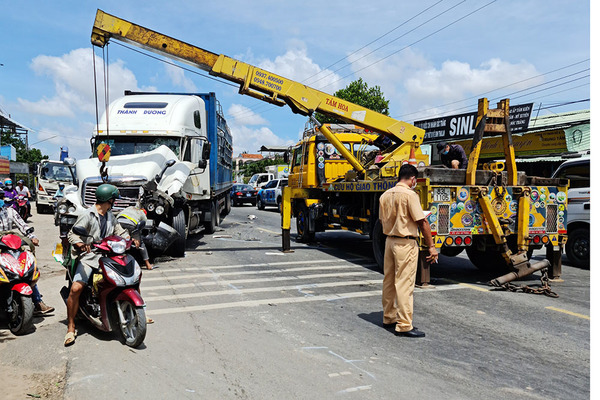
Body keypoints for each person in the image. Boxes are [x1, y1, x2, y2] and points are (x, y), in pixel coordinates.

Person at [64, 184, 130, 346]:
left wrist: (129, 240)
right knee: (76, 289)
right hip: (89, 257)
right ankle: (71, 327)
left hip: (108, 256)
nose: (114, 202)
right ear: (109, 200)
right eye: (114, 199)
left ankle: (135, 310)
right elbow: (72, 233)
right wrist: (79, 244)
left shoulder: (110, 216)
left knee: (127, 278)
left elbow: (119, 231)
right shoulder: (87, 215)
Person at [379, 164, 437, 338]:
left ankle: (389, 317)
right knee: (404, 284)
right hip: (405, 243)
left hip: (389, 241)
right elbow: (422, 222)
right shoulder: (410, 195)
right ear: (412, 179)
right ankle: (404, 325)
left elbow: (382, 221)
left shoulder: (385, 195)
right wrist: (431, 247)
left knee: (389, 280)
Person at [0, 189, 54, 315]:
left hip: (10, 245)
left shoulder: (10, 211)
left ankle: (38, 302)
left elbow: (23, 225)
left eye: (1, 196)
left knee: (25, 271)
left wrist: (32, 237)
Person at [117, 205, 156, 270]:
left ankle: (119, 263)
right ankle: (148, 264)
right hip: (131, 224)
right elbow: (142, 226)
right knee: (140, 244)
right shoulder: (142, 213)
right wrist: (136, 238)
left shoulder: (129, 208)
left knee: (120, 242)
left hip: (118, 222)